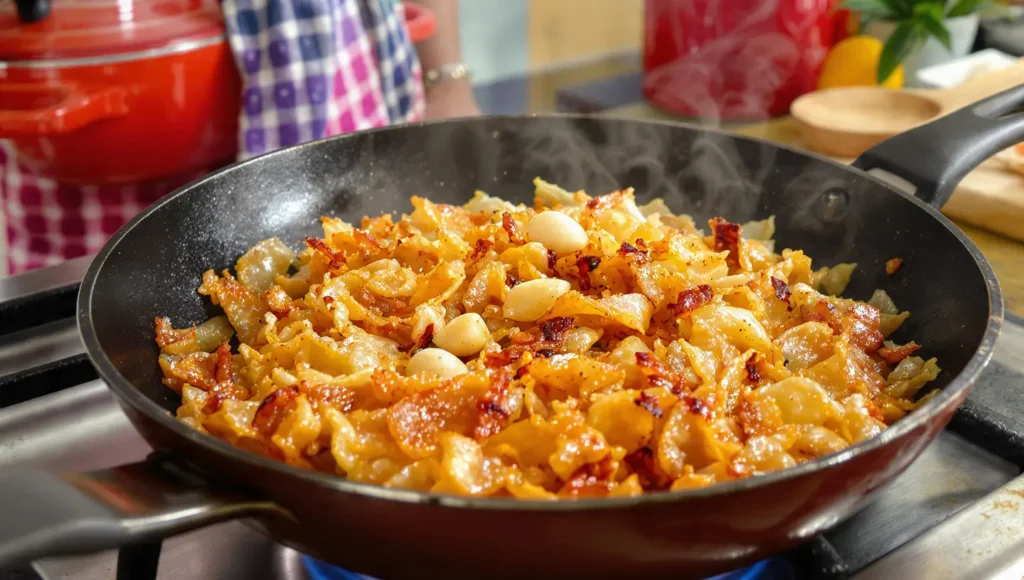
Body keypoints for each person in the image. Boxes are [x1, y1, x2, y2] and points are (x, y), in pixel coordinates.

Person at [0, 0, 478, 275]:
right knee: (103, 328)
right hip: (92, 140)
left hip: (338, 75)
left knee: (379, 261)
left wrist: (447, 77)